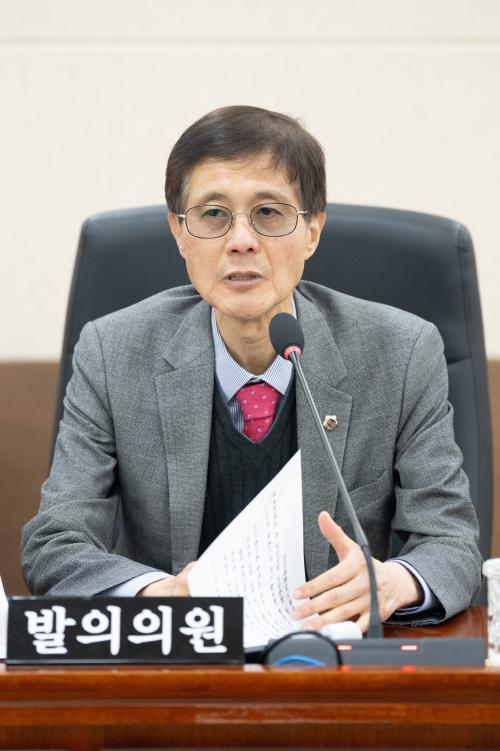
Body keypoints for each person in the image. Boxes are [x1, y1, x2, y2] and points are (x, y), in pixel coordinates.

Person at [21, 106, 481, 633]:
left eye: (268, 212)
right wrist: (162, 594)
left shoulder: (399, 353)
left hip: (333, 655)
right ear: (179, 233)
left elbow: (450, 543)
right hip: (177, 655)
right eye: (213, 214)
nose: (241, 240)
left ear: (312, 230)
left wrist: (394, 582)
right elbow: (55, 544)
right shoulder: (113, 352)